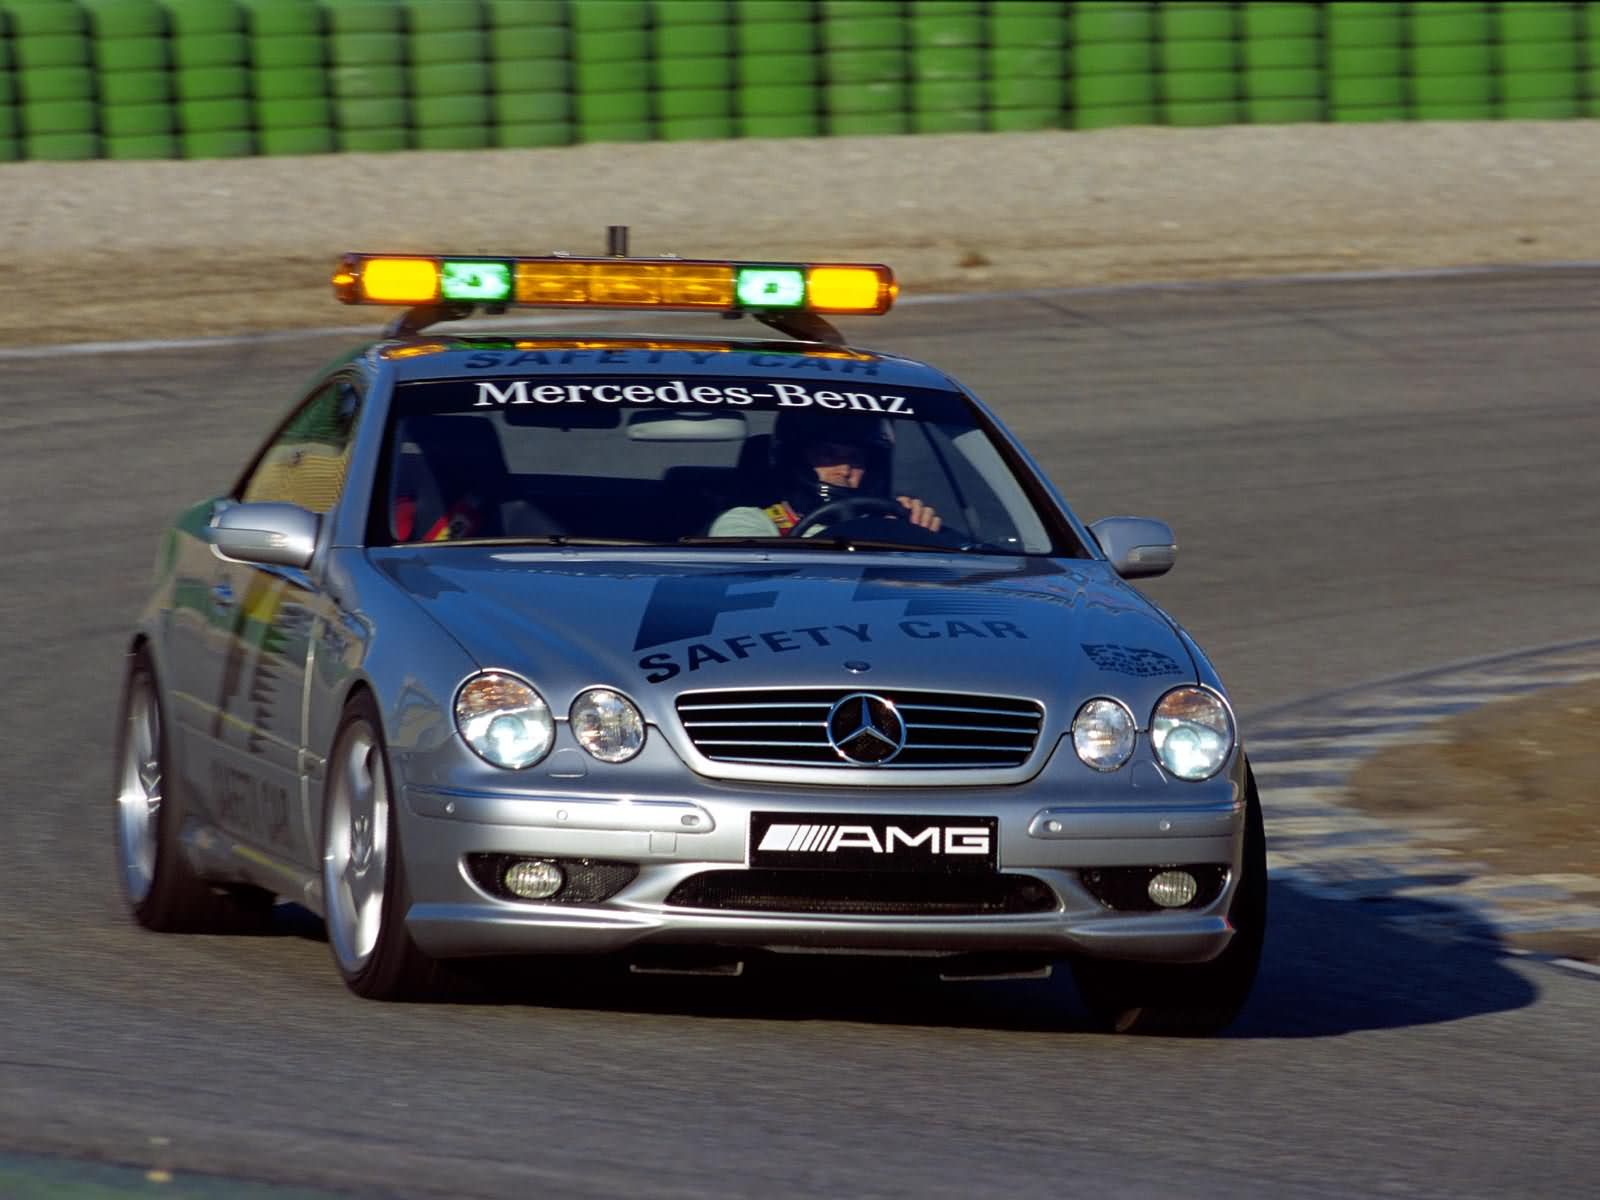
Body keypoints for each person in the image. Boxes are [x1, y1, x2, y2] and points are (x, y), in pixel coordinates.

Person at [708, 409, 942, 538]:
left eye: (856, 458)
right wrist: (876, 538)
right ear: (796, 459)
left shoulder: (889, 524)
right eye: (827, 455)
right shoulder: (747, 521)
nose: (845, 469)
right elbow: (750, 582)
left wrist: (913, 535)